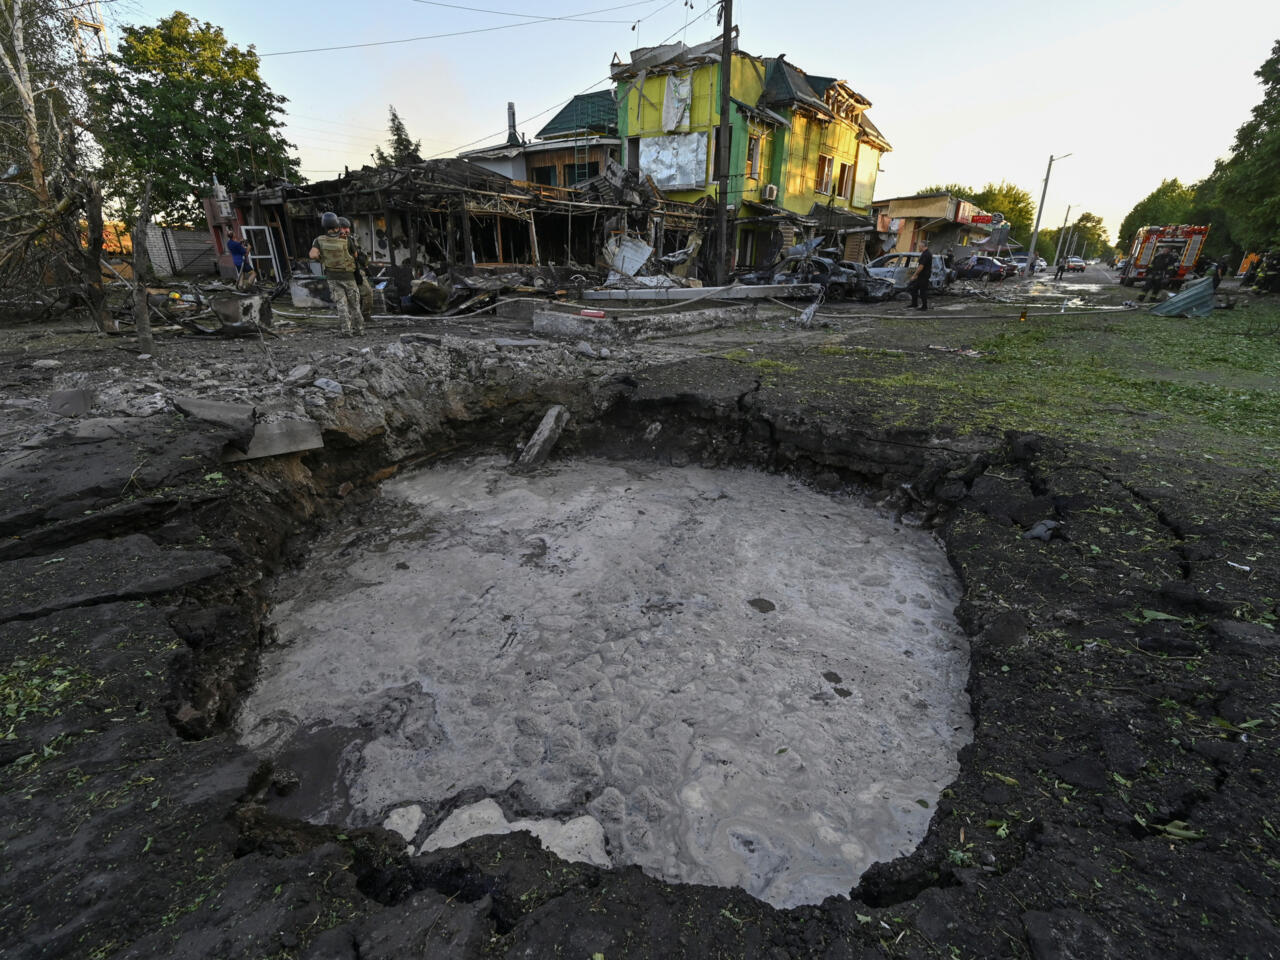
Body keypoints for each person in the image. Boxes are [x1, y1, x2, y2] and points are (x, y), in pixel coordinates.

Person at [309, 211, 363, 336]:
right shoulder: (346, 239)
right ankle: (359, 330)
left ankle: (346, 331)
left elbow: (312, 255)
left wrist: (323, 258)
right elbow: (355, 255)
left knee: (341, 305)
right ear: (337, 225)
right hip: (349, 277)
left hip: (332, 277)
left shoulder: (319, 240)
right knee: (355, 305)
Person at [338, 217, 374, 329]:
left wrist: (365, 267)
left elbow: (358, 255)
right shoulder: (332, 241)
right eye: (344, 228)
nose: (347, 230)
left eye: (348, 228)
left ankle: (365, 315)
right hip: (343, 274)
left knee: (368, 292)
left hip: (356, 271)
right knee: (349, 299)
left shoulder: (351, 239)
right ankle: (351, 322)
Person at [907, 245, 933, 310]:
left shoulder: (925, 254)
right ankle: (914, 304)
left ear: (922, 246)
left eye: (919, 247)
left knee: (923, 292)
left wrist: (914, 275)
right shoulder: (926, 253)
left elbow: (921, 266)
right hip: (922, 276)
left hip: (923, 276)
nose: (918, 248)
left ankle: (924, 307)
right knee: (914, 289)